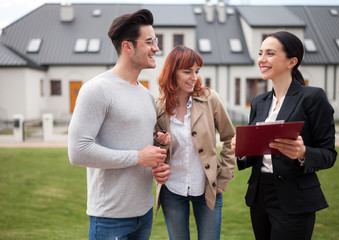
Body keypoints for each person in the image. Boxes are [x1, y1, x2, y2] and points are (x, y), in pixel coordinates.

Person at [68, 9, 170, 240]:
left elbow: (139, 145)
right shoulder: (96, 90)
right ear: (127, 47)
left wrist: (157, 156)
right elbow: (78, 152)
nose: (156, 48)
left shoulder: (146, 95)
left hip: (144, 214)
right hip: (109, 219)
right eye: (149, 42)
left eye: (156, 41)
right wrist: (137, 157)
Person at [231, 31, 337, 240]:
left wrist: (303, 153)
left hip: (295, 198)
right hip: (260, 195)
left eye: (270, 53)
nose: (262, 59)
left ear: (292, 61)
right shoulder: (259, 101)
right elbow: (255, 154)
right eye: (261, 53)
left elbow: (329, 154)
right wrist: (241, 150)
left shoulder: (313, 97)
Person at [154, 45, 236, 240]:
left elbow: (229, 139)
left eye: (197, 71)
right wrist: (162, 143)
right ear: (172, 72)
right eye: (187, 71)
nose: (194, 77)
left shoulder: (210, 99)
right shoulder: (158, 107)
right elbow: (153, 151)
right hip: (172, 189)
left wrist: (223, 178)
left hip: (208, 187)